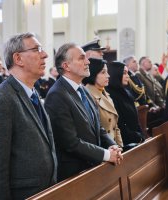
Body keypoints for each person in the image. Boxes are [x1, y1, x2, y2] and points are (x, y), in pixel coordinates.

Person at [0, 33, 57, 200]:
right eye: (37, 49)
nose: (45, 54)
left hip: (44, 190)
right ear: (18, 59)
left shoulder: (32, 92)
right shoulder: (1, 100)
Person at [44, 43, 122, 182]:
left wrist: (112, 145)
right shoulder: (57, 95)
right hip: (75, 174)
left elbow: (97, 126)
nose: (87, 62)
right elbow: (70, 142)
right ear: (66, 66)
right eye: (81, 58)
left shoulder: (83, 89)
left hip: (92, 166)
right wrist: (106, 154)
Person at [82, 58, 123, 147]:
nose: (108, 76)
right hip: (103, 149)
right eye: (103, 72)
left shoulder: (105, 93)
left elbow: (115, 127)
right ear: (93, 74)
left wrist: (121, 148)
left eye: (107, 72)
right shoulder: (88, 95)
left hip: (114, 147)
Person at [106, 61, 145, 146]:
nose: (128, 76)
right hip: (125, 142)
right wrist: (137, 137)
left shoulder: (127, 92)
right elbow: (119, 123)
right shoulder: (110, 94)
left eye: (127, 73)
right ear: (115, 74)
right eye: (124, 73)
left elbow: (136, 119)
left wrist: (141, 136)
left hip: (136, 138)